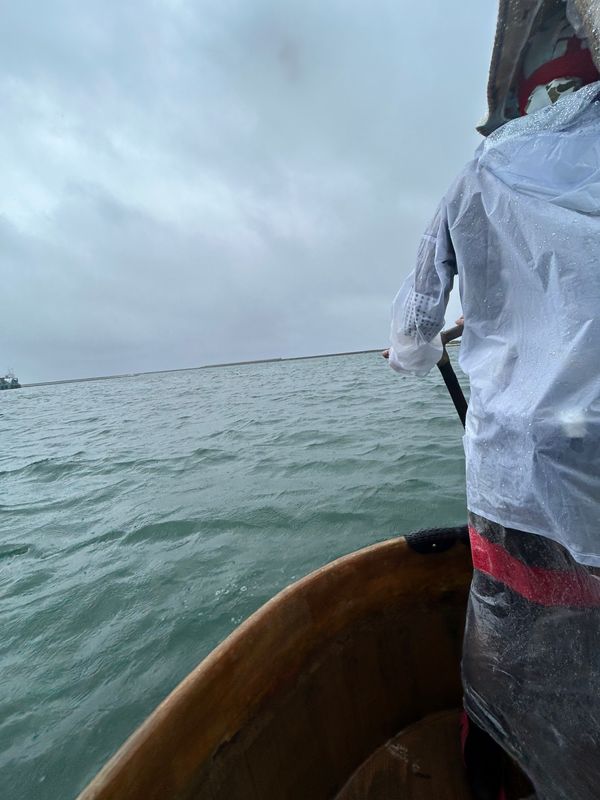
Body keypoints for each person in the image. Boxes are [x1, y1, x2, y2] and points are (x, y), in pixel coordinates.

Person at [387, 2, 600, 798]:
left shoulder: (478, 174)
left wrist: (416, 346)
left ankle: (498, 773)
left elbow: (413, 335)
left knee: (512, 639)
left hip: (516, 476)